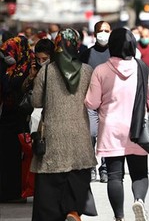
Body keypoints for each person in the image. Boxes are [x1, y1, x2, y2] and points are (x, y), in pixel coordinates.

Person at [85, 28, 149, 221]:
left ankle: (119, 217)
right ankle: (139, 200)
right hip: (137, 129)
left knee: (115, 176)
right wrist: (146, 108)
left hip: (110, 129)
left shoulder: (100, 70)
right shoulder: (142, 67)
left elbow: (91, 103)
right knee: (140, 173)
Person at [31, 28, 97, 221]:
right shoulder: (87, 71)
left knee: (50, 185)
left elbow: (36, 102)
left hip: (53, 136)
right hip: (80, 136)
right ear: (77, 44)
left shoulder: (46, 71)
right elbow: (93, 101)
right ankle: (73, 211)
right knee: (76, 178)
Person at [0, 36, 34, 203]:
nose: (7, 55)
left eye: (10, 51)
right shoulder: (6, 65)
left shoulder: (28, 64)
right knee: (5, 155)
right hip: (4, 116)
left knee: (16, 156)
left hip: (19, 116)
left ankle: (16, 192)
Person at [79, 20, 112, 183]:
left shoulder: (115, 54)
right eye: (101, 31)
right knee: (91, 134)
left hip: (110, 103)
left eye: (106, 30)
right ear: (94, 34)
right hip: (91, 102)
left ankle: (105, 168)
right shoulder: (86, 54)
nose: (103, 34)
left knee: (106, 136)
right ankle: (91, 166)